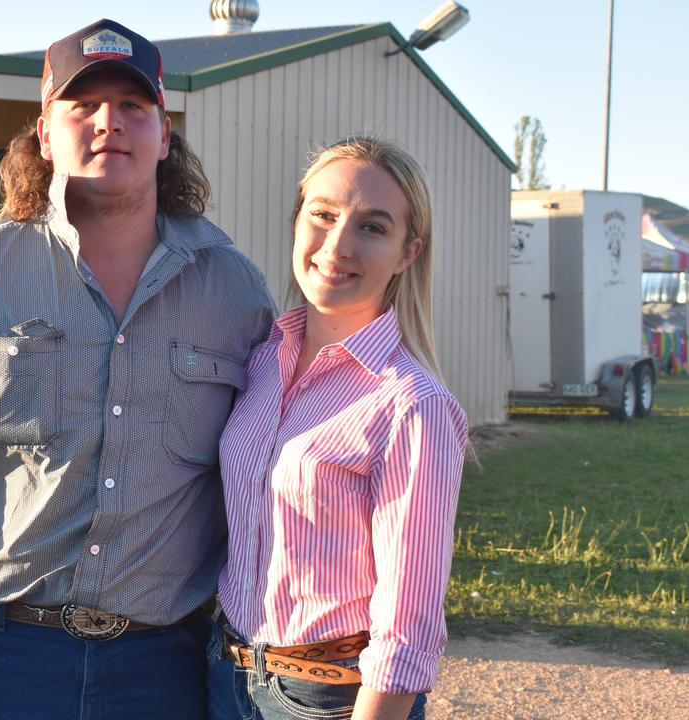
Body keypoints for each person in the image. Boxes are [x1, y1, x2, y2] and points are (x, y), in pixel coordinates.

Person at [0, 18, 276, 720]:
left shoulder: (234, 291)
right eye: (82, 106)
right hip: (2, 660)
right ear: (45, 134)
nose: (109, 122)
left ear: (164, 136)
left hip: (167, 667)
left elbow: (266, 472)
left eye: (133, 107)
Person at [206, 138, 469, 720]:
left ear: (407, 252)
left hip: (327, 699)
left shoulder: (411, 403)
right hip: (224, 677)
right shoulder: (258, 364)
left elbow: (410, 614)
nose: (338, 245)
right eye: (322, 215)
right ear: (298, 222)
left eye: (372, 227)